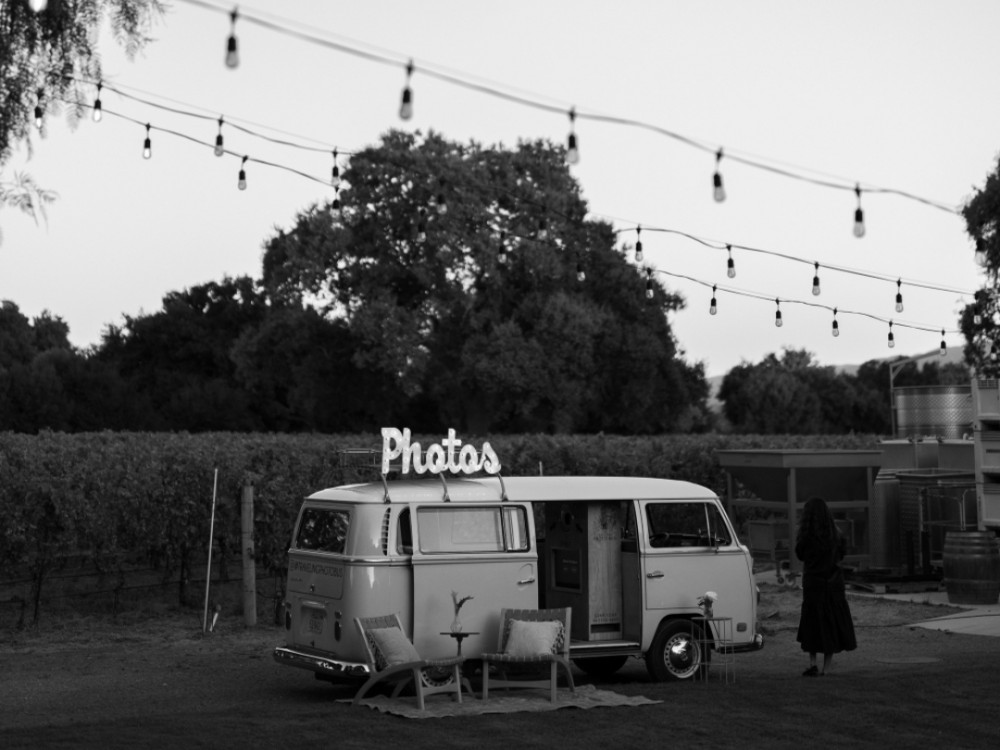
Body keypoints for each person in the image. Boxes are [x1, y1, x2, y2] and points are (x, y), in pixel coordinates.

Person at [795, 496, 857, 676]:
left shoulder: (806, 536)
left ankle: (812, 662)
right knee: (830, 623)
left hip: (813, 583)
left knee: (812, 621)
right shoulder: (836, 535)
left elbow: (800, 554)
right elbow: (842, 554)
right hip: (833, 584)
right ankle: (827, 667)